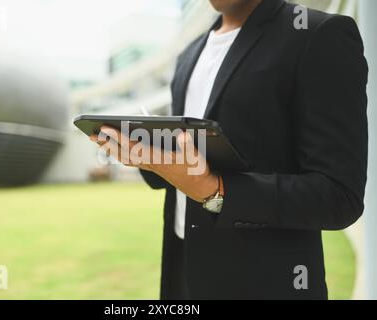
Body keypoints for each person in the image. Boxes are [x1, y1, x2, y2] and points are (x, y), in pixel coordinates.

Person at [90, 0, 368, 299]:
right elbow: (190, 162)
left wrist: (215, 190)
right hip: (183, 278)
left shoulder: (317, 34)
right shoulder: (189, 55)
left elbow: (339, 196)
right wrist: (147, 158)